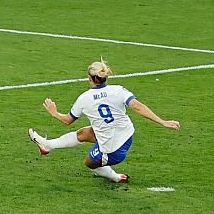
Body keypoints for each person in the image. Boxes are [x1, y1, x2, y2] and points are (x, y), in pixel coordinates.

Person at [27, 60, 182, 185]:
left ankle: (115, 177)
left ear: (89, 78)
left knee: (90, 163)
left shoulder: (84, 98)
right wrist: (163, 122)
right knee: (84, 133)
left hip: (112, 150)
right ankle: (48, 145)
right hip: (127, 136)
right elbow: (137, 106)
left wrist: (54, 113)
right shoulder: (119, 90)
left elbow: (67, 120)